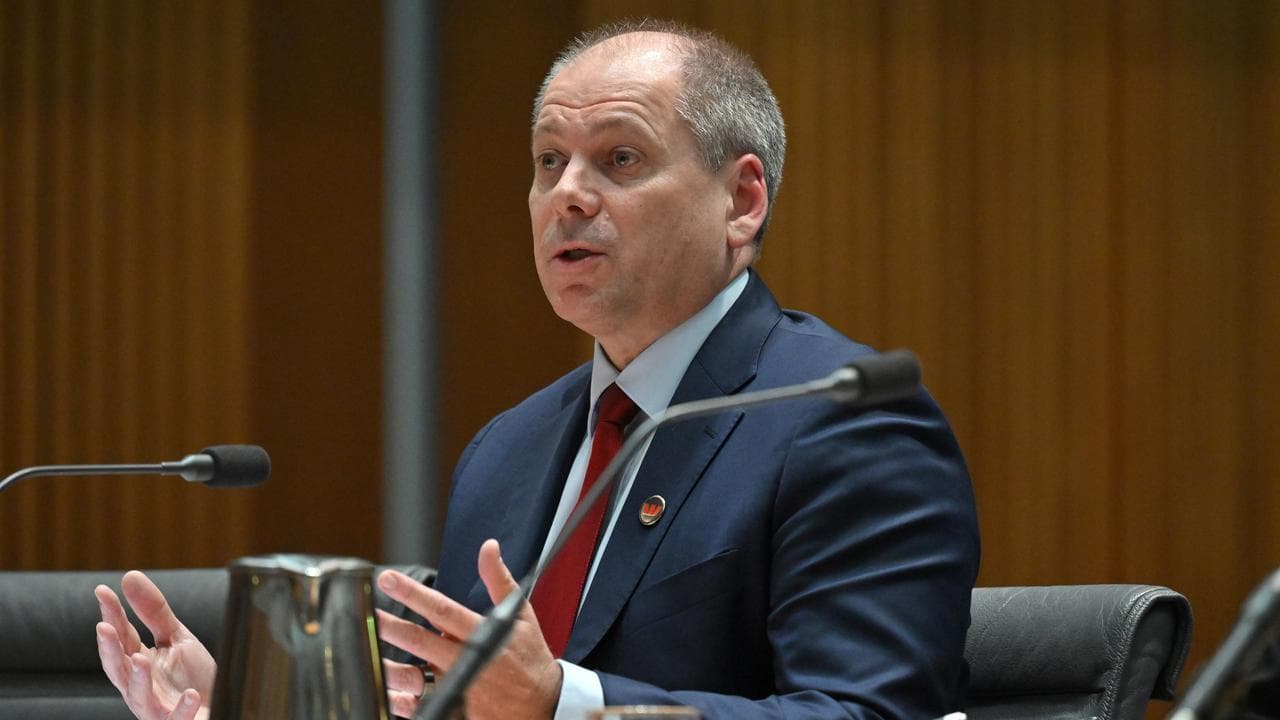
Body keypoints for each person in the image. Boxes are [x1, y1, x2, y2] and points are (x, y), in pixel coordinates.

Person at [94, 19, 980, 720]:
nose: (568, 195)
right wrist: (240, 707)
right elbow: (434, 705)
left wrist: (569, 705)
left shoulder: (842, 419)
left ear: (741, 200)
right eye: (549, 162)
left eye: (620, 159)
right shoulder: (508, 451)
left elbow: (869, 713)